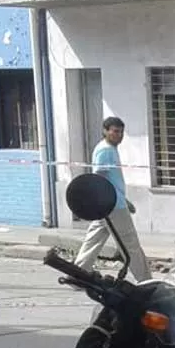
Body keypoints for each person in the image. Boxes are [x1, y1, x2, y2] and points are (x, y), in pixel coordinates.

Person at [74, 116, 151, 282]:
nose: (119, 135)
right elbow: (100, 178)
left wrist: (125, 200)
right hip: (113, 207)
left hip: (109, 204)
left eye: (121, 132)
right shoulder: (105, 150)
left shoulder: (109, 148)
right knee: (130, 245)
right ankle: (146, 281)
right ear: (105, 131)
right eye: (115, 131)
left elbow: (111, 180)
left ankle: (77, 273)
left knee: (93, 240)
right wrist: (108, 201)